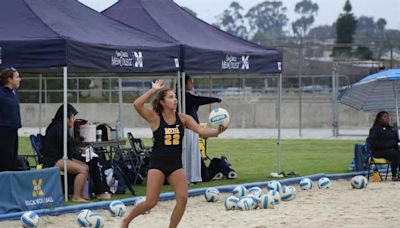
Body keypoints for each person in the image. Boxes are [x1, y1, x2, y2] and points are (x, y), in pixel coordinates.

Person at [121, 80, 226, 228]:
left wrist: (217, 132)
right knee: (151, 202)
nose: (175, 99)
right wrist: (153, 90)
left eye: (175, 97)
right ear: (162, 102)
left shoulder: (183, 118)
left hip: (176, 165)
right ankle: (127, 220)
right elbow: (137, 105)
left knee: (183, 199)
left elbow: (201, 131)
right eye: (170, 97)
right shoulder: (155, 118)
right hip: (158, 164)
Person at [42, 104, 111, 201]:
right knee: (82, 170)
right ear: (66, 117)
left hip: (62, 157)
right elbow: (69, 142)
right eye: (72, 117)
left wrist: (79, 141)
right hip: (53, 160)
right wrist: (81, 141)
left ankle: (82, 194)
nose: (73, 120)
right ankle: (76, 196)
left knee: (86, 166)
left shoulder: (60, 126)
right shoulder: (57, 128)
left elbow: (69, 142)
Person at [182, 75, 222, 183]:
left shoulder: (187, 97)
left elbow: (198, 100)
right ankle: (190, 177)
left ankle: (194, 176)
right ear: (185, 83)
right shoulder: (185, 97)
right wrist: (216, 99)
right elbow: (200, 100)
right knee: (189, 154)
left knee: (193, 154)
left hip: (192, 130)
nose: (192, 83)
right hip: (187, 131)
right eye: (190, 81)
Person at [368, 111, 400, 181]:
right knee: (396, 154)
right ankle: (394, 176)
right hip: (378, 151)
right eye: (385, 117)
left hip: (391, 150)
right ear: (379, 119)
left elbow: (395, 140)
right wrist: (386, 145)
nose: (387, 118)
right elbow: (373, 142)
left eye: (388, 116)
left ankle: (398, 173)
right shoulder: (375, 129)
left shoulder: (391, 129)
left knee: (396, 152)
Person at [0, 67, 22, 172]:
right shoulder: (1, 93)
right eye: (17, 77)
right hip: (3, 133)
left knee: (13, 162)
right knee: (5, 162)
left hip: (13, 132)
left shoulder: (12, 93)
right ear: (9, 79)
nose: (20, 79)